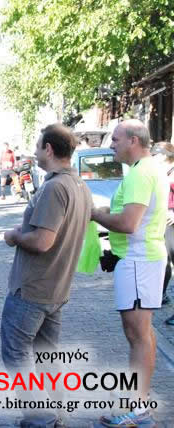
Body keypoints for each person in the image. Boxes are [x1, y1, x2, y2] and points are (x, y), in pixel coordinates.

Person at [0, 124, 91, 427]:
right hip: (56, 288)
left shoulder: (55, 187)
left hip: (33, 287)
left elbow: (42, 241)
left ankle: (41, 416)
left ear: (49, 149)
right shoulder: (77, 184)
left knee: (16, 354)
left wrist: (15, 235)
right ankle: (56, 414)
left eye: (38, 146)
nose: (35, 152)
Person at [91, 120, 168, 427]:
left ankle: (138, 409)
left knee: (137, 336)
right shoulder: (146, 169)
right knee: (143, 334)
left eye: (115, 139)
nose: (111, 144)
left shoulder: (139, 173)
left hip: (139, 259)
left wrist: (95, 214)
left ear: (133, 141)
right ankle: (140, 403)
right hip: (141, 258)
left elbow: (128, 223)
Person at [151, 142, 174, 310]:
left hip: (171, 222)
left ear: (165, 156)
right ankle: (161, 295)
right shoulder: (160, 172)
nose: (152, 158)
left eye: (155, 155)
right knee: (163, 259)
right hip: (162, 221)